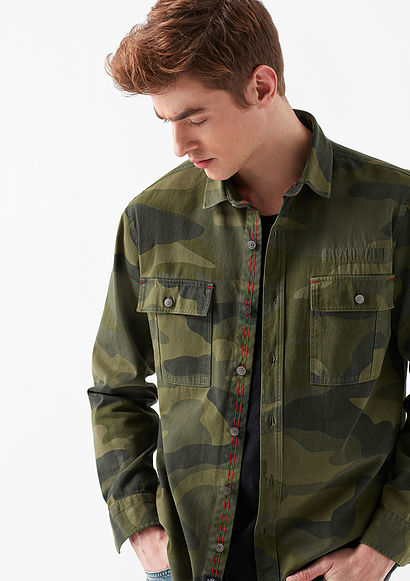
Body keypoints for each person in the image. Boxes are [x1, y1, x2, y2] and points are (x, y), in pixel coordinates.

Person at [86, 1, 410, 580]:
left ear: (262, 86)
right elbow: (116, 389)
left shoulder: (393, 213)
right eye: (166, 121)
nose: (179, 145)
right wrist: (142, 530)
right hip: (188, 566)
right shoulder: (151, 220)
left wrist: (382, 549)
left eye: (195, 117)